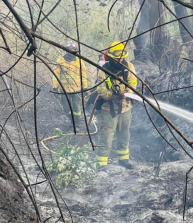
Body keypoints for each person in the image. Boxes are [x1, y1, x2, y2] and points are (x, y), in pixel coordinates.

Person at [95, 41, 137, 169]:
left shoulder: (129, 66)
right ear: (111, 57)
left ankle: (123, 159)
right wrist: (114, 95)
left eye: (122, 57)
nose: (120, 60)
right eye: (117, 58)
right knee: (106, 135)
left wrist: (127, 92)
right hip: (109, 109)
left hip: (125, 107)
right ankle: (101, 163)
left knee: (124, 133)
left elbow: (133, 83)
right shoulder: (104, 70)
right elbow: (100, 90)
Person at [52, 41, 87, 130]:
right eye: (69, 49)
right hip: (64, 89)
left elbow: (83, 75)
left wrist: (85, 88)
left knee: (76, 108)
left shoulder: (79, 61)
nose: (71, 51)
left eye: (73, 50)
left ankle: (77, 123)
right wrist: (55, 87)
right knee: (66, 107)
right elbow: (55, 74)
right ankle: (72, 121)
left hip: (77, 89)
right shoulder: (60, 61)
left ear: (76, 50)